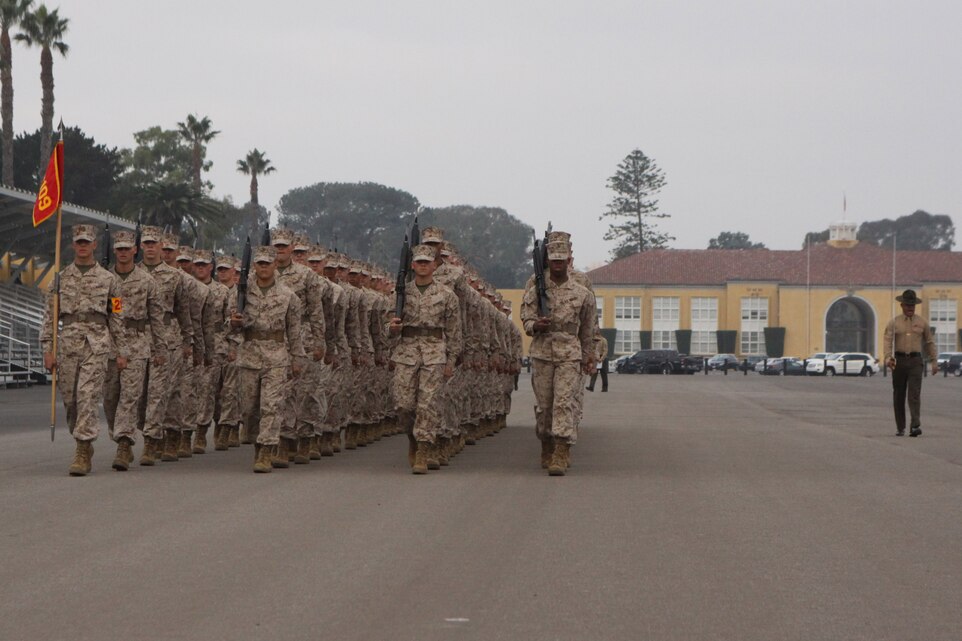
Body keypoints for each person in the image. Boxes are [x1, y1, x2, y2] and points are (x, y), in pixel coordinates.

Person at [41, 224, 125, 476]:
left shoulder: (111, 280)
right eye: (79, 242)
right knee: (72, 401)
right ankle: (82, 438)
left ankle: (82, 447)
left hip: (97, 343)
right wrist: (47, 348)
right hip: (67, 344)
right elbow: (49, 317)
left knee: (88, 395)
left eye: (87, 242)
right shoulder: (59, 279)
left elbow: (117, 317)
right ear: (73, 245)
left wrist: (121, 351)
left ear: (95, 245)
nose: (83, 246)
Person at [521, 239, 595, 476]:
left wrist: (588, 356)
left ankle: (561, 452)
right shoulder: (536, 290)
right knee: (545, 407)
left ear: (568, 261)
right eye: (553, 261)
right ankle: (547, 443)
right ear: (548, 262)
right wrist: (536, 325)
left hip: (569, 354)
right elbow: (526, 321)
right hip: (542, 353)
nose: (558, 265)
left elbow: (587, 329)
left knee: (564, 402)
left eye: (562, 261)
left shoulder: (582, 294)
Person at [229, 246, 306, 473]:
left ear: (275, 265)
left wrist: (297, 359)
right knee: (248, 408)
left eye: (267, 263)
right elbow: (228, 324)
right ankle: (256, 441)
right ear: (254, 266)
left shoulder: (288, 296)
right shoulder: (241, 292)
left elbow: (294, 331)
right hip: (249, 354)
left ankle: (266, 450)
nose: (263, 267)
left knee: (271, 406)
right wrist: (233, 323)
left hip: (276, 356)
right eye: (259, 263)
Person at [387, 244, 462, 474]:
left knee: (428, 404)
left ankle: (423, 449)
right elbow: (386, 325)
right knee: (403, 404)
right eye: (418, 261)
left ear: (434, 265)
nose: (422, 265)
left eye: (426, 262)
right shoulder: (400, 292)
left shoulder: (447, 295)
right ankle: (412, 435)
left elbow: (454, 332)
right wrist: (392, 328)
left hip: (434, 353)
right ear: (412, 265)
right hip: (406, 352)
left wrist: (451, 362)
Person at [102, 229, 165, 471]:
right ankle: (118, 433)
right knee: (110, 398)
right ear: (114, 251)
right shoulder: (106, 280)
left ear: (134, 250)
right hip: (110, 345)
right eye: (119, 248)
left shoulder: (148, 282)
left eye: (127, 248)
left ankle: (125, 444)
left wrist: (159, 349)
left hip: (138, 342)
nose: (123, 252)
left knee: (130, 397)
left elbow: (157, 319)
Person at [883, 289, 938, 437]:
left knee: (914, 394)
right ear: (902, 305)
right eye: (908, 305)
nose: (910, 308)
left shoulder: (922, 322)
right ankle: (900, 427)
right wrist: (888, 357)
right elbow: (888, 340)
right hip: (899, 361)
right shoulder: (894, 322)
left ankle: (915, 426)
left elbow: (929, 342)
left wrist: (934, 361)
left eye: (912, 305)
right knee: (899, 394)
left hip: (915, 361)